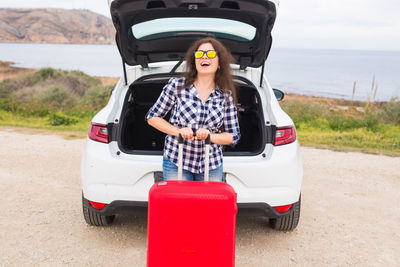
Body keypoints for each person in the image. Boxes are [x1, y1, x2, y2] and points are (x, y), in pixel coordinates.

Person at [146, 37, 240, 181]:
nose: (204, 57)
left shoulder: (225, 96)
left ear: (220, 63)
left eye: (210, 54)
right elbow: (153, 117)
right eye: (199, 54)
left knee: (208, 204)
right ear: (194, 61)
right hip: (176, 161)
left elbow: (233, 136)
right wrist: (178, 132)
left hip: (211, 164)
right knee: (178, 204)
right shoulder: (177, 86)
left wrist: (209, 136)